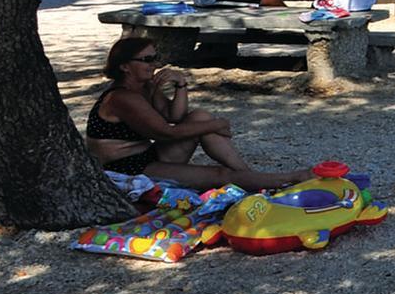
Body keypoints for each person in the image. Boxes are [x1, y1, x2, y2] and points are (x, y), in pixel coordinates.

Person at [84, 38, 302, 189]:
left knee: (200, 116)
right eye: (147, 60)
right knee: (220, 175)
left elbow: (175, 117)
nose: (155, 64)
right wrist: (217, 125)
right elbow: (165, 132)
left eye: (155, 58)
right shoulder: (122, 97)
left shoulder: (145, 86)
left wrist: (181, 84)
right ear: (125, 67)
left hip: (147, 155)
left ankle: (249, 176)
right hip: (125, 168)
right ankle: (287, 179)